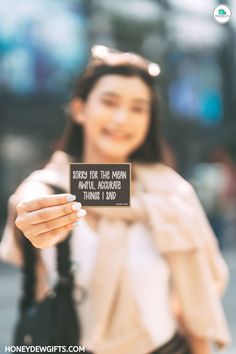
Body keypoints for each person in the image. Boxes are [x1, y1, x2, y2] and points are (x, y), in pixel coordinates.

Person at [0, 45, 231, 354]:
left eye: (138, 108)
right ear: (81, 109)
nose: (122, 118)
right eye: (110, 102)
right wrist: (31, 223)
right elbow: (29, 201)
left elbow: (199, 293)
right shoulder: (50, 187)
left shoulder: (172, 192)